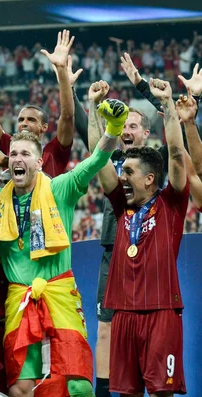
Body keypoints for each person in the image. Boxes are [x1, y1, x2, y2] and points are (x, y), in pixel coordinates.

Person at [0, 93, 128, 396]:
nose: (18, 159)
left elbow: (96, 160)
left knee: (78, 384)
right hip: (18, 298)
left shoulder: (59, 188)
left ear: (39, 162)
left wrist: (114, 128)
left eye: (26, 154)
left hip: (59, 293)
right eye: (13, 154)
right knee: (20, 388)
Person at [95, 79, 187, 395]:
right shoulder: (121, 206)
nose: (121, 178)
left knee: (162, 391)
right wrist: (99, 116)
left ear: (150, 179)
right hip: (123, 316)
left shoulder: (170, 204)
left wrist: (169, 106)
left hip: (161, 313)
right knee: (127, 392)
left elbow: (176, 154)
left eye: (129, 173)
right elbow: (99, 163)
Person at [0, 27, 76, 177]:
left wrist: (61, 70)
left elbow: (67, 116)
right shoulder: (9, 145)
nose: (24, 123)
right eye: (21, 119)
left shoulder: (54, 151)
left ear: (44, 127)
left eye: (31, 119)